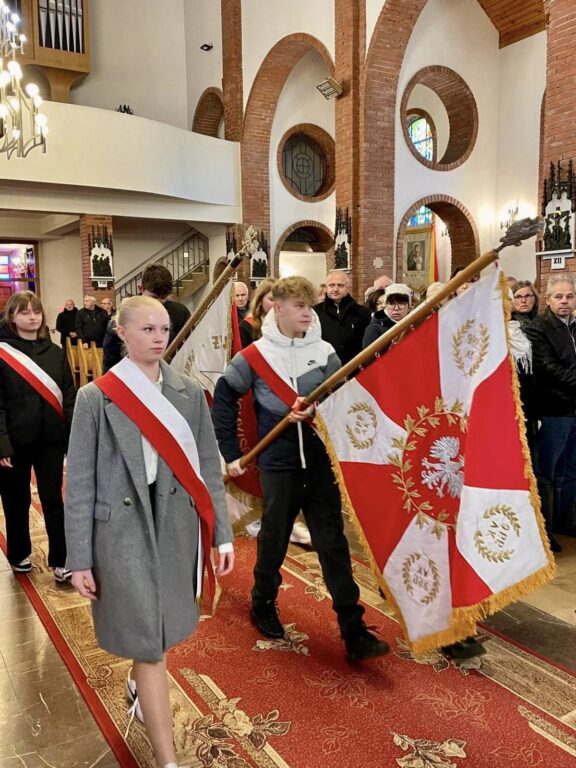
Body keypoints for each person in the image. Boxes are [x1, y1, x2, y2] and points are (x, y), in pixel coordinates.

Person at [65, 295, 234, 768]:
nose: (158, 337)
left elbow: (206, 468)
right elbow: (78, 482)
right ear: (122, 332)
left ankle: (140, 684)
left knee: (161, 631)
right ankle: (167, 759)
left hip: (175, 528)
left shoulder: (185, 392)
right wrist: (79, 557)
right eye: (147, 329)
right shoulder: (96, 397)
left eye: (163, 329)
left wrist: (220, 533)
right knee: (150, 644)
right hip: (119, 536)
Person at [212, 276, 389, 662]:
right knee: (274, 539)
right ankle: (262, 602)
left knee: (334, 545)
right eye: (300, 307)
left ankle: (353, 629)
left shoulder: (325, 352)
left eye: (310, 306)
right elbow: (225, 397)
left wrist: (319, 409)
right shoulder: (255, 356)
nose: (308, 313)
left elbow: (344, 403)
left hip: (320, 462)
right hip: (279, 465)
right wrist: (229, 451)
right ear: (278, 307)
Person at [0, 291, 76, 583]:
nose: (32, 317)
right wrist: (2, 444)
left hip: (51, 440)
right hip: (15, 443)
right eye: (25, 312)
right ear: (12, 316)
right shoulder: (3, 353)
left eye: (36, 312)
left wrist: (69, 436)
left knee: (53, 499)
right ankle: (19, 552)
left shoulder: (55, 353)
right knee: (15, 500)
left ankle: (62, 558)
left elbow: (68, 396)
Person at [238, 277, 311, 546]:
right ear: (262, 304)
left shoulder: (299, 333)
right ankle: (267, 517)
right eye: (271, 300)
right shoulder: (250, 329)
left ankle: (290, 518)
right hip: (260, 407)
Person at [526, 275, 576, 552]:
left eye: (569, 296)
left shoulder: (575, 325)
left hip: (573, 407)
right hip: (553, 409)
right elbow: (548, 369)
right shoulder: (538, 328)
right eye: (559, 297)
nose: (565, 302)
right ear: (547, 300)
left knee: (572, 469)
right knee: (548, 471)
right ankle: (544, 528)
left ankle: (565, 521)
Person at [509, 281, 539, 463]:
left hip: (539, 389)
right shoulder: (509, 327)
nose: (524, 300)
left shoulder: (542, 323)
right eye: (518, 297)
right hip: (520, 390)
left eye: (528, 296)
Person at [314, 270, 371, 365]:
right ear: (326, 287)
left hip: (354, 367)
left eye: (340, 285)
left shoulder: (362, 312)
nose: (335, 289)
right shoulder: (315, 312)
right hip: (325, 367)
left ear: (348, 288)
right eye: (331, 285)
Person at [140, 264, 191, 345]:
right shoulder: (127, 315)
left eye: (163, 297)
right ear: (141, 289)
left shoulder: (180, 313)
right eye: (154, 297)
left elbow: (190, 345)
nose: (159, 303)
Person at [362, 283, 412, 348]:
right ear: (386, 306)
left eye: (401, 304)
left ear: (409, 307)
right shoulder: (374, 329)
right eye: (392, 304)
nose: (396, 308)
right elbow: (369, 356)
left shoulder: (415, 324)